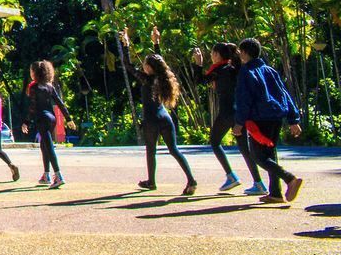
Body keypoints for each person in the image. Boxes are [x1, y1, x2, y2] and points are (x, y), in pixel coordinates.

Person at [120, 34, 197, 196]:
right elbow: (160, 60)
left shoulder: (146, 79)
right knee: (174, 150)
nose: (143, 65)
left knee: (151, 150)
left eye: (146, 64)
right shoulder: (162, 78)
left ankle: (152, 181)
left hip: (151, 120)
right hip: (165, 118)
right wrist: (156, 43)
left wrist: (125, 44)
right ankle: (191, 180)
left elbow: (127, 65)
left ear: (150, 68)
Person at [233, 37, 304, 204]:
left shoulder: (247, 71)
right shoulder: (270, 70)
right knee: (270, 154)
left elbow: (244, 99)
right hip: (276, 117)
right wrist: (293, 119)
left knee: (258, 156)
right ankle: (276, 193)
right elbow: (284, 94)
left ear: (244, 52)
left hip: (259, 119)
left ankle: (290, 179)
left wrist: (239, 122)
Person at [192, 41, 264, 195]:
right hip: (239, 113)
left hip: (226, 113)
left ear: (217, 55)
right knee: (244, 149)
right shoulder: (234, 69)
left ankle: (231, 176)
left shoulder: (220, 69)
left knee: (214, 141)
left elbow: (199, 81)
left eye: (212, 54)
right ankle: (259, 183)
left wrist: (198, 64)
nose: (211, 57)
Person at [20, 61, 74, 189]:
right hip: (51, 118)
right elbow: (60, 103)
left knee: (48, 146)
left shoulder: (34, 87)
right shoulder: (49, 86)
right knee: (44, 145)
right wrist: (69, 119)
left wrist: (26, 122)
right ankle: (46, 175)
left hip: (42, 118)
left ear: (35, 73)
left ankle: (58, 175)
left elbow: (32, 107)